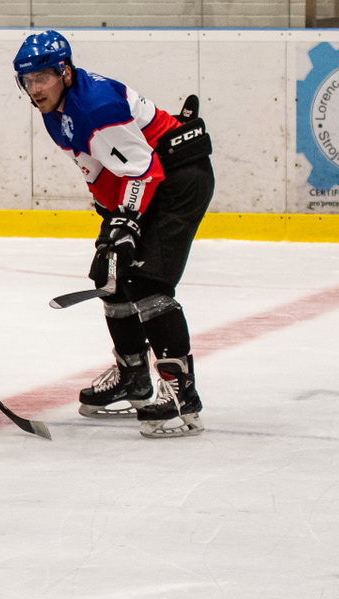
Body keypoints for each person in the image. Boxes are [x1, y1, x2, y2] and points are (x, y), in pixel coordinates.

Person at [13, 31, 214, 438]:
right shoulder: (54, 111)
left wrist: (128, 222)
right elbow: (100, 172)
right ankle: (133, 375)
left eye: (42, 79)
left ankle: (181, 392)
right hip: (146, 178)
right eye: (27, 81)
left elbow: (145, 169)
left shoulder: (96, 107)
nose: (34, 90)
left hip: (179, 180)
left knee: (148, 282)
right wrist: (113, 228)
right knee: (110, 275)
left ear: (65, 73)